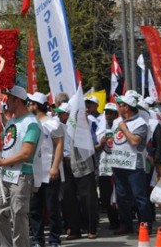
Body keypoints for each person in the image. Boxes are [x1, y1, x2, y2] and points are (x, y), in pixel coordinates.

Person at [0, 85, 41, 247]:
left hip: (21, 174)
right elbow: (4, 145)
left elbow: (26, 153)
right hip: (5, 174)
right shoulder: (11, 121)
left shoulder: (31, 123)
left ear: (17, 100)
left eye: (8, 99)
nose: (5, 102)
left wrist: (2, 162)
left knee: (19, 215)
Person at [110, 95, 153, 235]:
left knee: (139, 196)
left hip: (134, 165)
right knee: (121, 196)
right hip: (118, 164)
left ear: (127, 107)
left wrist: (124, 129)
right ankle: (126, 224)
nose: (118, 107)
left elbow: (135, 141)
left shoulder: (140, 123)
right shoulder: (117, 121)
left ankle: (145, 224)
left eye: (120, 105)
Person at [57, 102, 98, 240]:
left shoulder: (83, 126)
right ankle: (74, 229)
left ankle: (91, 228)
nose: (58, 115)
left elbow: (93, 141)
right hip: (65, 164)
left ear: (69, 114)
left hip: (82, 164)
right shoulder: (58, 126)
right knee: (68, 199)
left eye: (61, 113)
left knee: (88, 197)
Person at [27, 92, 64, 247]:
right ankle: (37, 239)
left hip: (49, 172)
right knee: (35, 209)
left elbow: (59, 145)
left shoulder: (53, 123)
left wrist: (54, 167)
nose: (28, 106)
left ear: (37, 105)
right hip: (33, 173)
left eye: (30, 103)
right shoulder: (29, 123)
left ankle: (54, 239)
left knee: (52, 208)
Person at [95, 102, 120, 230]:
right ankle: (113, 221)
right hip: (104, 168)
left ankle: (122, 220)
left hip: (119, 167)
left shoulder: (121, 127)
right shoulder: (100, 130)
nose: (108, 115)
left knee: (120, 195)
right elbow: (94, 148)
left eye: (111, 113)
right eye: (106, 113)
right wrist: (101, 143)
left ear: (116, 114)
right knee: (106, 196)